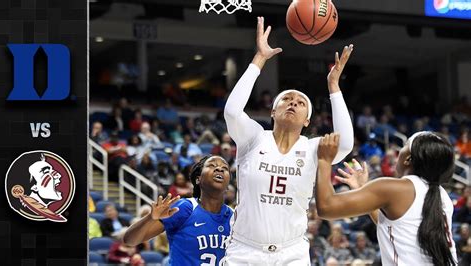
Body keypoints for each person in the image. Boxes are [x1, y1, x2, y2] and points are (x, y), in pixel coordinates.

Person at [222, 17, 354, 265]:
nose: (293, 102)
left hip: (292, 253)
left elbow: (345, 145)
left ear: (307, 121)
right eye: (286, 99)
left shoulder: (313, 147)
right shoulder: (253, 138)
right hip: (245, 250)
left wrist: (333, 86)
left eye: (301, 102)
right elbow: (231, 112)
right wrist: (259, 59)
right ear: (272, 112)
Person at [316, 131, 458, 265]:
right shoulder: (441, 194)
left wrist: (324, 160)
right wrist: (362, 189)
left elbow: (326, 207)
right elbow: (395, 229)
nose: (399, 152)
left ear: (408, 159)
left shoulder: (393, 188)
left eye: (404, 146)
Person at [123, 155, 233, 266]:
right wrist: (150, 218)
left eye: (224, 168)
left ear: (228, 184)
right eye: (211, 165)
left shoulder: (234, 217)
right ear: (198, 179)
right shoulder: (185, 207)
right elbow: (130, 240)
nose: (219, 169)